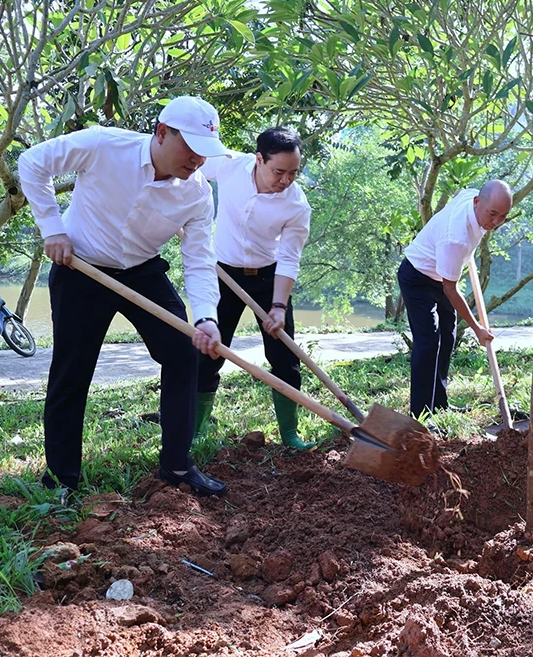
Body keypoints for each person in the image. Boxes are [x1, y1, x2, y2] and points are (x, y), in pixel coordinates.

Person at [19, 96, 229, 498]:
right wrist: (52, 229)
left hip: (142, 272)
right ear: (162, 133)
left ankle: (177, 466)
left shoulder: (197, 194)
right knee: (72, 370)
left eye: (206, 153)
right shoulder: (103, 145)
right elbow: (32, 162)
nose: (198, 161)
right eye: (192, 149)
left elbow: (200, 260)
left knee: (185, 351)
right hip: (82, 267)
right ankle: (61, 478)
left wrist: (206, 319)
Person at [195, 127, 315, 451]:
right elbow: (188, 167)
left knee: (284, 355)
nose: (286, 180)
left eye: (293, 173)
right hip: (222, 273)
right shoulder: (229, 166)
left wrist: (279, 307)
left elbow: (289, 258)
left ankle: (290, 434)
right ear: (258, 159)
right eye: (279, 171)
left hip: (269, 279)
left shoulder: (297, 205)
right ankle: (195, 432)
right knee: (208, 350)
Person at [398, 181, 513, 420]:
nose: (495, 222)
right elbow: (450, 289)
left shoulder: (471, 197)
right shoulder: (455, 238)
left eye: (502, 216)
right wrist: (478, 329)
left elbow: (460, 192)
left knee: (447, 337)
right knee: (429, 342)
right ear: (477, 203)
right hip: (418, 276)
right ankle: (421, 416)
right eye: (492, 214)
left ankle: (439, 404)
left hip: (442, 273)